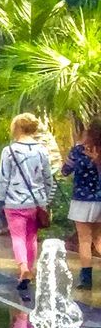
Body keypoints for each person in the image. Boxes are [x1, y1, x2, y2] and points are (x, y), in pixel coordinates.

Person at [0, 113, 56, 301]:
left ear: (17, 128)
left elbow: (4, 178)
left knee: (18, 237)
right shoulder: (41, 150)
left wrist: (0, 198)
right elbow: (48, 178)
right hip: (36, 202)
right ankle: (30, 270)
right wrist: (45, 199)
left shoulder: (9, 150)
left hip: (14, 201)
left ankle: (23, 268)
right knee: (31, 237)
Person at [63, 123, 101, 288]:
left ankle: (86, 279)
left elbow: (65, 170)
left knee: (85, 240)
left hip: (81, 199)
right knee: (98, 238)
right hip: (100, 199)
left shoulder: (78, 151)